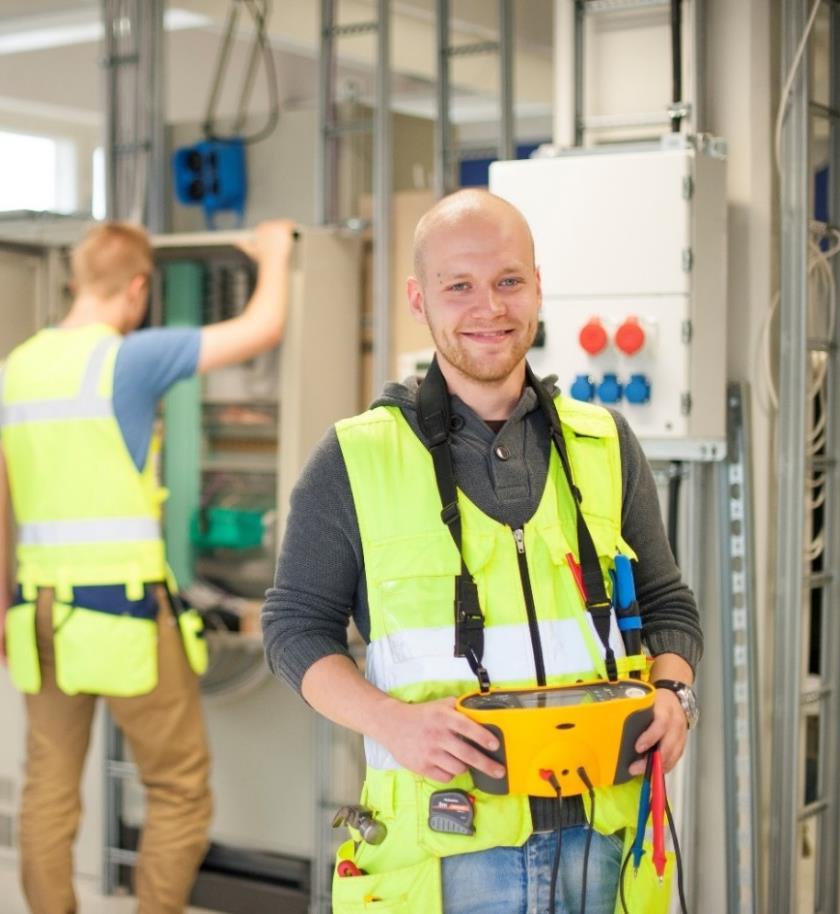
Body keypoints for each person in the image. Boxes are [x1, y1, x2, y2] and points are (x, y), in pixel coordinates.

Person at [262, 189, 702, 914]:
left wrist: (674, 691)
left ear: (537, 285)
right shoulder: (355, 459)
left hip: (604, 835)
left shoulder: (605, 443)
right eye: (458, 286)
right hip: (449, 850)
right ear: (418, 299)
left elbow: (666, 604)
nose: (489, 308)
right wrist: (390, 720)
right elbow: (291, 628)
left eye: (507, 282)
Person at [0, 217, 296, 914]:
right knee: (178, 784)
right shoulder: (126, 359)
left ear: (76, 280)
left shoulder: (16, 367)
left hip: (38, 609)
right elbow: (261, 328)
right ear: (137, 288)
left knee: (47, 784)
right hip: (125, 612)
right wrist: (274, 253)